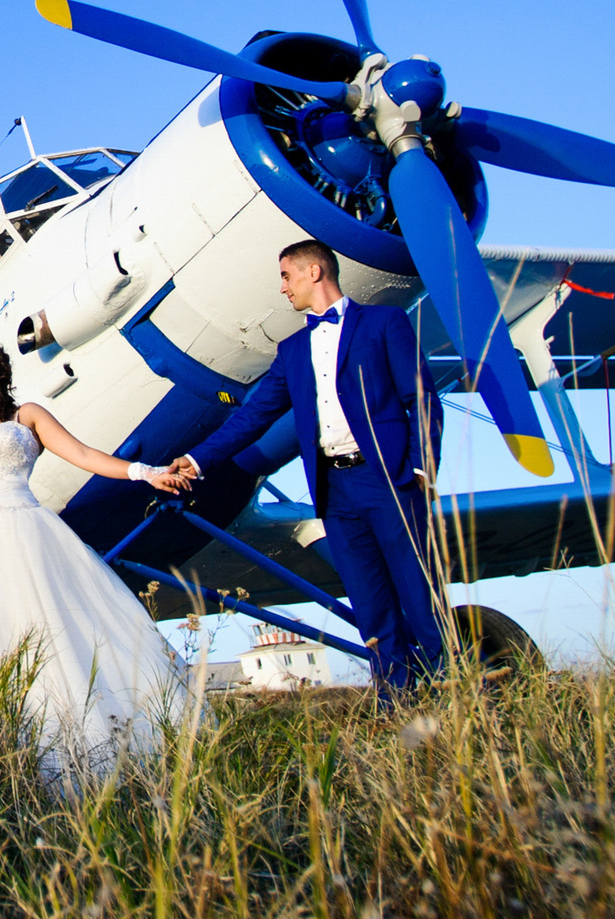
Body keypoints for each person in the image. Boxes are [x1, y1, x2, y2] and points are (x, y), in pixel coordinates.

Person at [0, 334, 200, 777]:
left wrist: (146, 472)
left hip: (28, 535)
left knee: (50, 634)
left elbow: (83, 455)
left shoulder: (29, 416)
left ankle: (79, 749)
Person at [174, 239, 445, 695]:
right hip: (334, 490)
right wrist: (199, 457)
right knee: (369, 599)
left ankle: (450, 686)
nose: (282, 289)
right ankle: (396, 698)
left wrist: (420, 469)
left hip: (388, 479)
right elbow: (253, 416)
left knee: (417, 589)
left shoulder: (385, 323)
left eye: (286, 276)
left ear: (314, 271)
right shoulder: (293, 350)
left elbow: (420, 399)